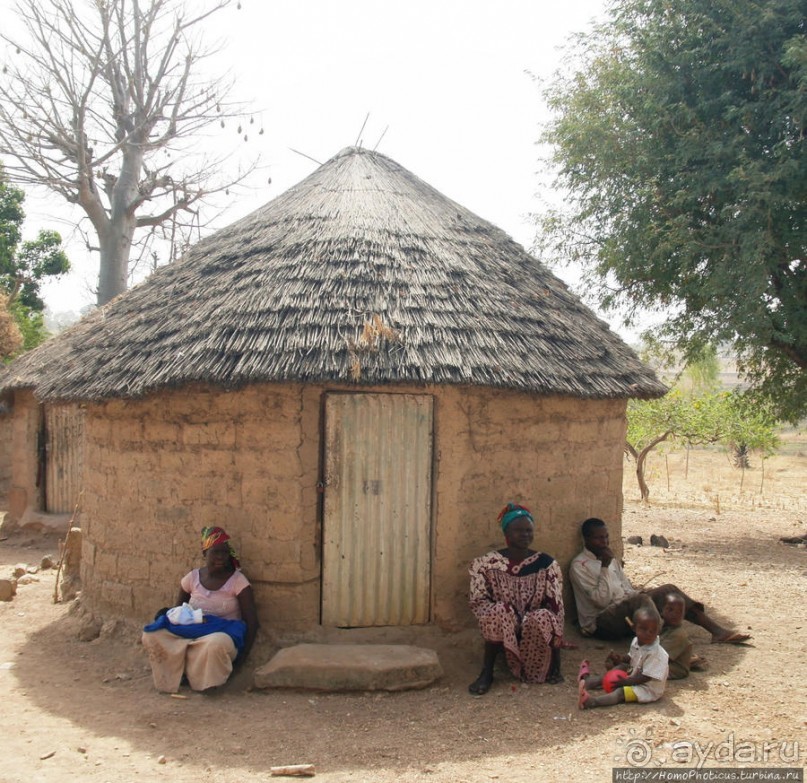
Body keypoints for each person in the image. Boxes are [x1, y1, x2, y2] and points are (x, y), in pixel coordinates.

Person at [569, 518, 751, 644]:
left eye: (606, 537)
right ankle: (666, 646)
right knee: (640, 601)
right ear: (586, 539)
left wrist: (638, 596)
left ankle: (717, 632)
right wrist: (604, 567)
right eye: (599, 538)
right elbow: (601, 601)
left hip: (624, 611)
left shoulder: (608, 556)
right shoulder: (580, 565)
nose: (605, 542)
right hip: (601, 623)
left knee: (668, 591)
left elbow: (626, 586)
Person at [142, 526, 259, 693]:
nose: (220, 558)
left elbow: (252, 623)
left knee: (214, 644)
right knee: (152, 634)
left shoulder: (238, 581)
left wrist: (242, 659)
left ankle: (207, 683)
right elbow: (179, 612)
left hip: (220, 635)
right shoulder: (192, 578)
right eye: (215, 552)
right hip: (192, 633)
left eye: (224, 553)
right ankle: (178, 675)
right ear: (205, 553)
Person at [467, 502, 565, 695]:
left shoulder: (547, 564)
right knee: (497, 611)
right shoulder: (486, 564)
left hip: (534, 625)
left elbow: (556, 607)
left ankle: (553, 667)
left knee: (545, 615)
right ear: (506, 534)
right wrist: (504, 613)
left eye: (529, 530)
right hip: (503, 624)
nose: (525, 535)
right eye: (518, 531)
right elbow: (478, 602)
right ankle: (487, 672)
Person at [578, 605, 668, 709]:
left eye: (653, 631)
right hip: (635, 675)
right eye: (643, 629)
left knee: (621, 692)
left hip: (647, 688)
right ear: (634, 628)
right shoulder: (636, 641)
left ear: (658, 631)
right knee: (618, 668)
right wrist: (620, 659)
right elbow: (631, 658)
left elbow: (646, 677)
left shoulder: (656, 653)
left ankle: (592, 702)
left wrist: (626, 682)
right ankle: (588, 683)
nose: (648, 633)